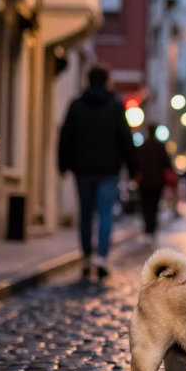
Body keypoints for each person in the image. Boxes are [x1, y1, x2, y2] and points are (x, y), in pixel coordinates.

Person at [58, 65, 137, 279]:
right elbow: (125, 138)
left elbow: (66, 136)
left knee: (85, 214)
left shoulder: (76, 105)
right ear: (107, 81)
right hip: (108, 170)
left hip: (82, 169)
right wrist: (131, 167)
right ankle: (101, 257)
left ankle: (86, 257)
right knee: (104, 214)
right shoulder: (115, 106)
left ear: (88, 81)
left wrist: (63, 164)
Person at [136, 123, 173, 244]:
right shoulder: (160, 147)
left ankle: (148, 229)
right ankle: (151, 230)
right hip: (157, 183)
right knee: (154, 207)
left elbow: (135, 163)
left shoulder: (142, 147)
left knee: (146, 206)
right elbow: (168, 164)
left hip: (144, 182)